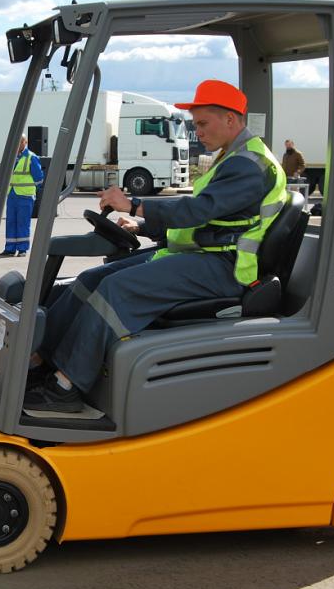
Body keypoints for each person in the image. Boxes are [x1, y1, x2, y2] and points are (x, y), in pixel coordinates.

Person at [23, 80, 286, 413]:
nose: (198, 132)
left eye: (203, 124)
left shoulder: (248, 164)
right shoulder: (232, 157)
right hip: (203, 253)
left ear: (231, 119)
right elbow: (213, 218)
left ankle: (65, 385)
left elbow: (198, 211)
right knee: (90, 280)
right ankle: (38, 360)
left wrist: (133, 205)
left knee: (117, 289)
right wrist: (143, 226)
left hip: (227, 267)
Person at [0, 134, 44, 257]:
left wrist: (33, 190)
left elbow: (39, 178)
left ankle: (22, 249)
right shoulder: (10, 156)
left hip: (25, 195)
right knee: (11, 221)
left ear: (25, 142)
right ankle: (10, 248)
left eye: (20, 142)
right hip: (12, 194)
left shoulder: (31, 157)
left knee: (23, 222)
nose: (17, 145)